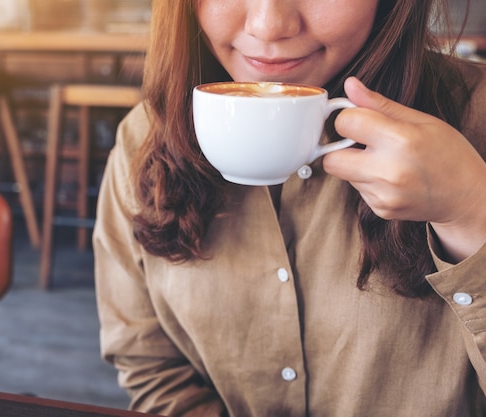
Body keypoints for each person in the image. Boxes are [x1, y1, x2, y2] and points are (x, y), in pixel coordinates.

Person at [93, 0, 486, 415]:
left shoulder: (475, 119)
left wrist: (471, 211)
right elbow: (151, 366)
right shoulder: (144, 140)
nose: (268, 26)